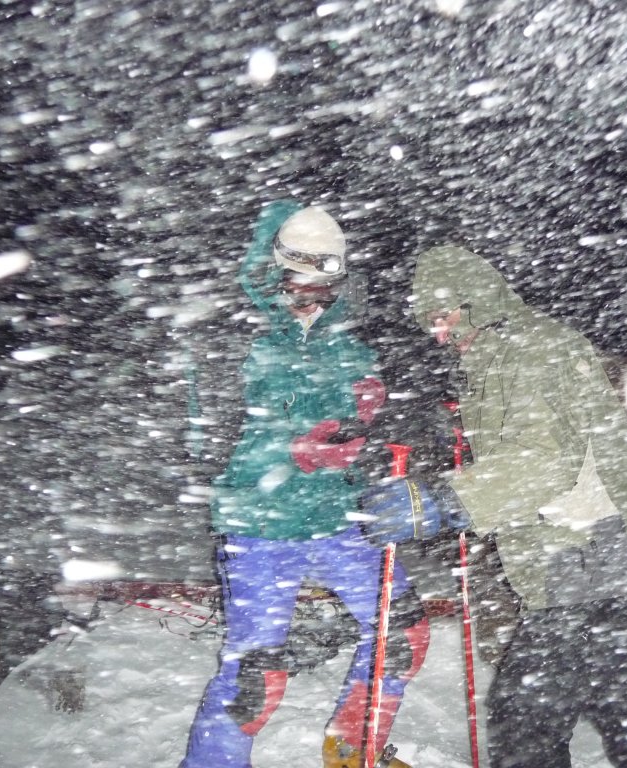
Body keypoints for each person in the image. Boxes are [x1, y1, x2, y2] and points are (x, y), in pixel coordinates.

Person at [363, 244, 627, 767]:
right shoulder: (507, 350)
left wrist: (442, 500)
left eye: (443, 313)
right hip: (597, 547)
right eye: (428, 319)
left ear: (474, 300)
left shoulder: (528, 350)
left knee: (525, 714)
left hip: (582, 549)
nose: (437, 331)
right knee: (625, 704)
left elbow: (544, 462)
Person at [179, 202, 428, 768]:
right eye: (302, 281)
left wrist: (374, 421)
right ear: (274, 271)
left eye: (328, 283)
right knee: (254, 678)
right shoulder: (230, 338)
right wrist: (291, 451)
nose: (315, 295)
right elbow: (205, 448)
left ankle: (352, 746)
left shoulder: (350, 342)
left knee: (402, 634)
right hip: (260, 523)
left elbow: (368, 432)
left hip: (340, 515)